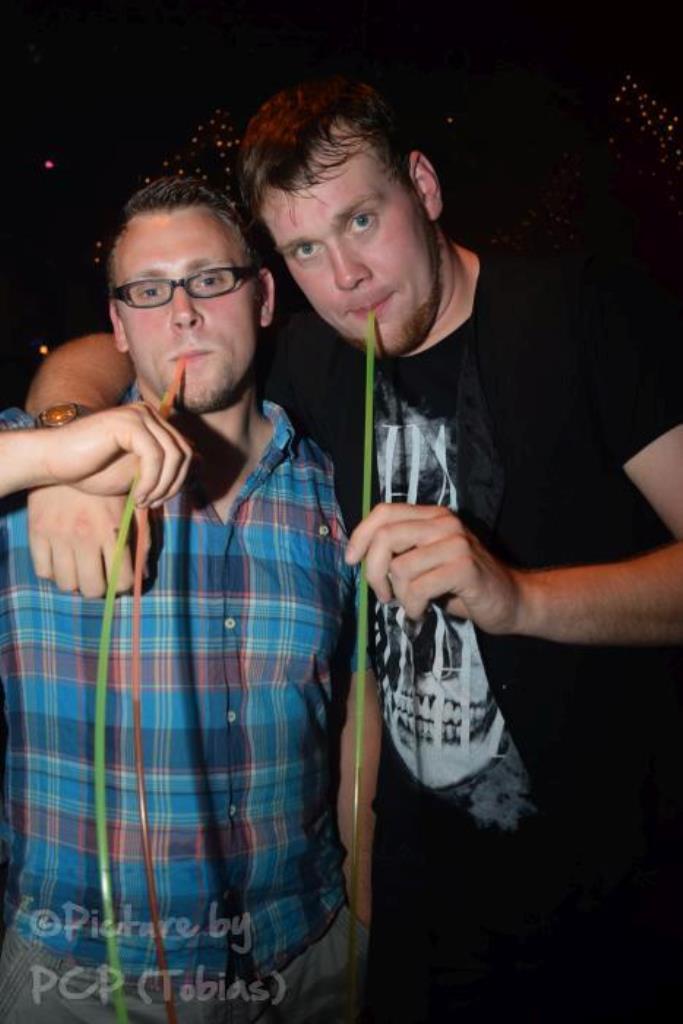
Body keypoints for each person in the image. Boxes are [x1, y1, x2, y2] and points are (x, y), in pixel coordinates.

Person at [26, 78, 683, 1022]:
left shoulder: (583, 312)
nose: (346, 276)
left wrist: (521, 598)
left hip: (608, 889)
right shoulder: (315, 357)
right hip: (413, 906)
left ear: (423, 185)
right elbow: (126, 343)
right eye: (304, 248)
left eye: (362, 220)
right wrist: (61, 451)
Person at [1, 176, 378, 1023]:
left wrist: (360, 875)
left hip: (306, 959)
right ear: (117, 325)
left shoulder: (330, 487)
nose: (182, 312)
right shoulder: (38, 472)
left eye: (210, 279)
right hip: (83, 979)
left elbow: (354, 690)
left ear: (264, 297)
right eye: (148, 290)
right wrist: (49, 459)